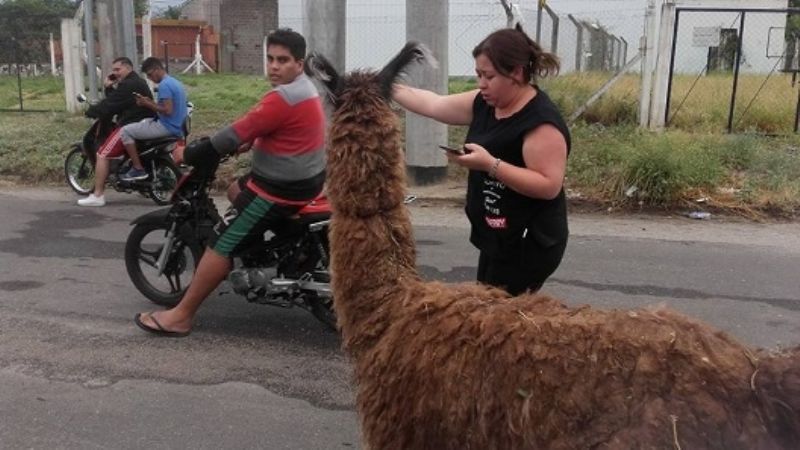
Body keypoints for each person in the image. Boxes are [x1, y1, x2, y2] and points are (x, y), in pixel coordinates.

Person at [134, 28, 326, 337]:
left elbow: (236, 132)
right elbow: (273, 128)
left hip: (280, 188)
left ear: (299, 64)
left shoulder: (284, 97)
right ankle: (289, 250)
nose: (274, 66)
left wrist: (190, 153)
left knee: (220, 243)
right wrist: (252, 140)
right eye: (270, 59)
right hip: (304, 178)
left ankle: (181, 316)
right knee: (236, 188)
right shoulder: (305, 89)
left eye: (283, 60)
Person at [393, 26, 571, 295]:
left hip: (528, 242)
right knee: (486, 306)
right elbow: (434, 104)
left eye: (489, 76)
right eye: (478, 74)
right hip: (498, 234)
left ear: (517, 73)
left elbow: (548, 185)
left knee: (498, 318)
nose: (481, 84)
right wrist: (385, 85)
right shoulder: (486, 103)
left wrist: (490, 165)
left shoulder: (541, 124)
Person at [77, 57, 155, 207]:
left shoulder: (128, 84)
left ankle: (98, 195)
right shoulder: (137, 82)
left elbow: (110, 105)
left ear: (128, 68)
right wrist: (108, 87)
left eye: (118, 70)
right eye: (113, 70)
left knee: (102, 154)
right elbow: (119, 101)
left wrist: (92, 111)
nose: (115, 73)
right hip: (144, 122)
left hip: (131, 124)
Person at [118, 56, 188, 182]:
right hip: (178, 125)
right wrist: (149, 101)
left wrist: (147, 104)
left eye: (150, 75)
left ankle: (137, 168)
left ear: (157, 69)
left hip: (167, 126)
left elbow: (167, 110)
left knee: (125, 131)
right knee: (141, 123)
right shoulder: (175, 82)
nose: (150, 78)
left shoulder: (164, 86)